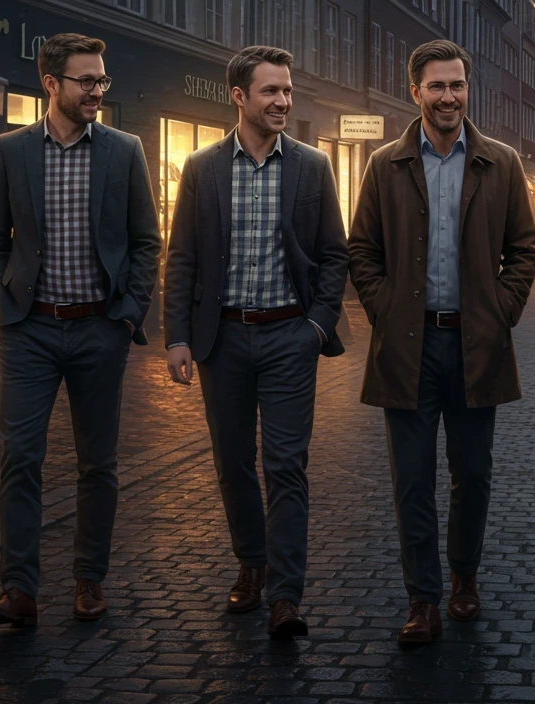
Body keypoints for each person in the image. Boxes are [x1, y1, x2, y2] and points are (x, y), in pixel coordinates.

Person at [348, 39, 535, 647]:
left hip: (475, 346)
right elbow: (362, 251)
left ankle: (463, 578)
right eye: (437, 86)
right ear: (416, 92)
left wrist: (498, 311)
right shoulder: (385, 164)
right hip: (407, 348)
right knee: (411, 480)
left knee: (473, 474)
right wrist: (384, 309)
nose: (449, 96)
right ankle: (422, 599)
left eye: (457, 85)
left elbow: (525, 250)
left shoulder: (500, 162)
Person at [0, 32, 161, 628]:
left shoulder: (124, 149)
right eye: (87, 80)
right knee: (20, 457)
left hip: (98, 329)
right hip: (29, 330)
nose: (98, 91)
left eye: (102, 80)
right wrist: (3, 303)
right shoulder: (11, 150)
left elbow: (144, 242)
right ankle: (19, 591)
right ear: (50, 84)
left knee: (97, 462)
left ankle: (89, 581)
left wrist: (128, 312)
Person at [163, 46, 348, 639]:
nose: (283, 102)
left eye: (288, 91)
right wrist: (177, 339)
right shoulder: (203, 167)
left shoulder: (313, 166)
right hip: (224, 341)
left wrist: (316, 327)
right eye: (271, 92)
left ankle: (286, 596)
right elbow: (183, 258)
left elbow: (333, 255)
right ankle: (251, 566)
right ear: (239, 97)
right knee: (233, 464)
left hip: (289, 336)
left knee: (286, 466)